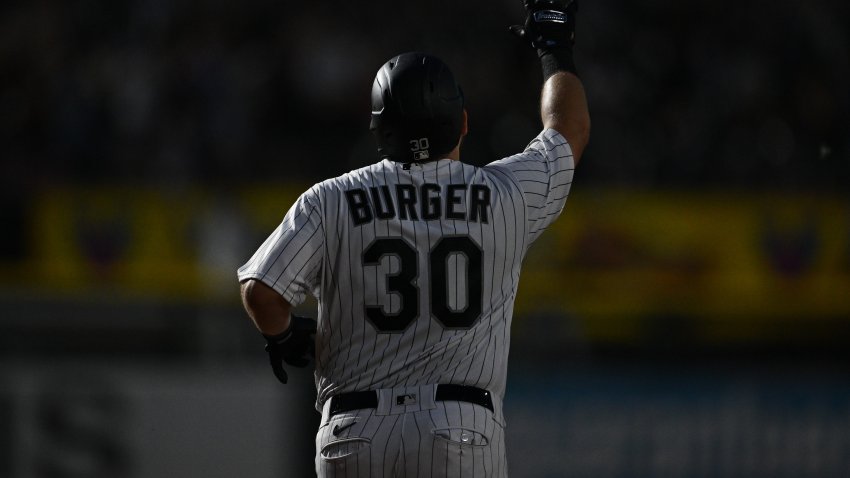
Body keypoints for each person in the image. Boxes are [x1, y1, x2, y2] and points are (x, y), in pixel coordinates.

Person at [237, 1, 589, 476]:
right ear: (463, 122)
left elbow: (262, 292)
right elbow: (568, 130)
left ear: (379, 128)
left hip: (353, 432)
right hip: (461, 426)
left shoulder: (329, 199)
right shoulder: (507, 194)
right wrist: (554, 48)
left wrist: (283, 336)